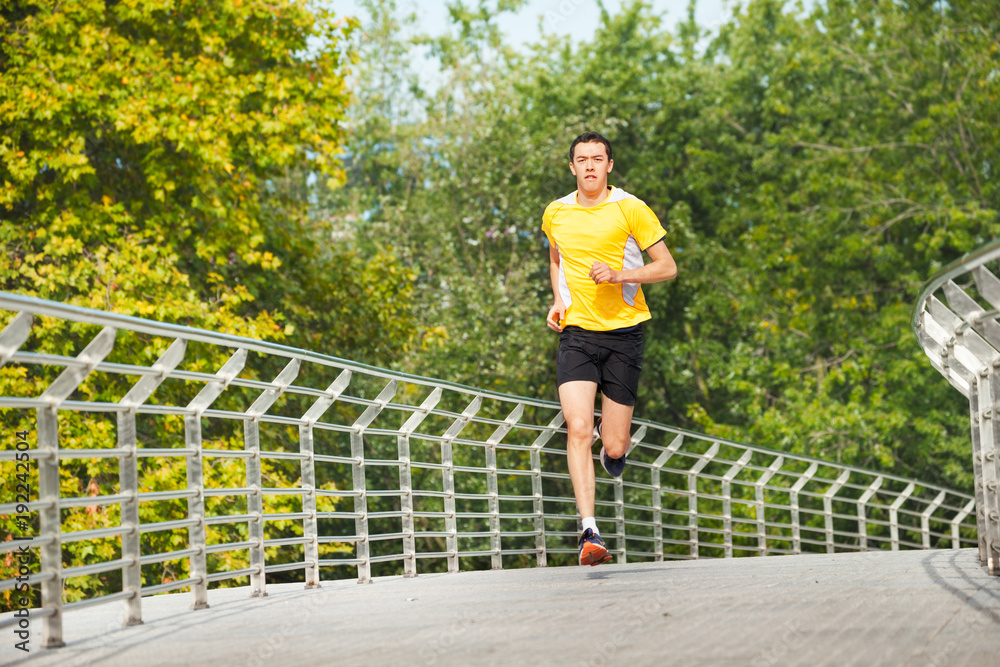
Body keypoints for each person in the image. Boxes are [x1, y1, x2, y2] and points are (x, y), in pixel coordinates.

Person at [541, 131, 677, 566]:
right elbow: (556, 255)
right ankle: (589, 531)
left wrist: (619, 275)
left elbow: (667, 267)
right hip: (577, 333)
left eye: (598, 159)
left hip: (624, 334)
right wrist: (559, 299)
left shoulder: (630, 208)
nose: (590, 167)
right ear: (572, 167)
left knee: (614, 446)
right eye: (582, 160)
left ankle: (613, 447)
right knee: (577, 427)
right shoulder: (556, 212)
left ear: (610, 166)